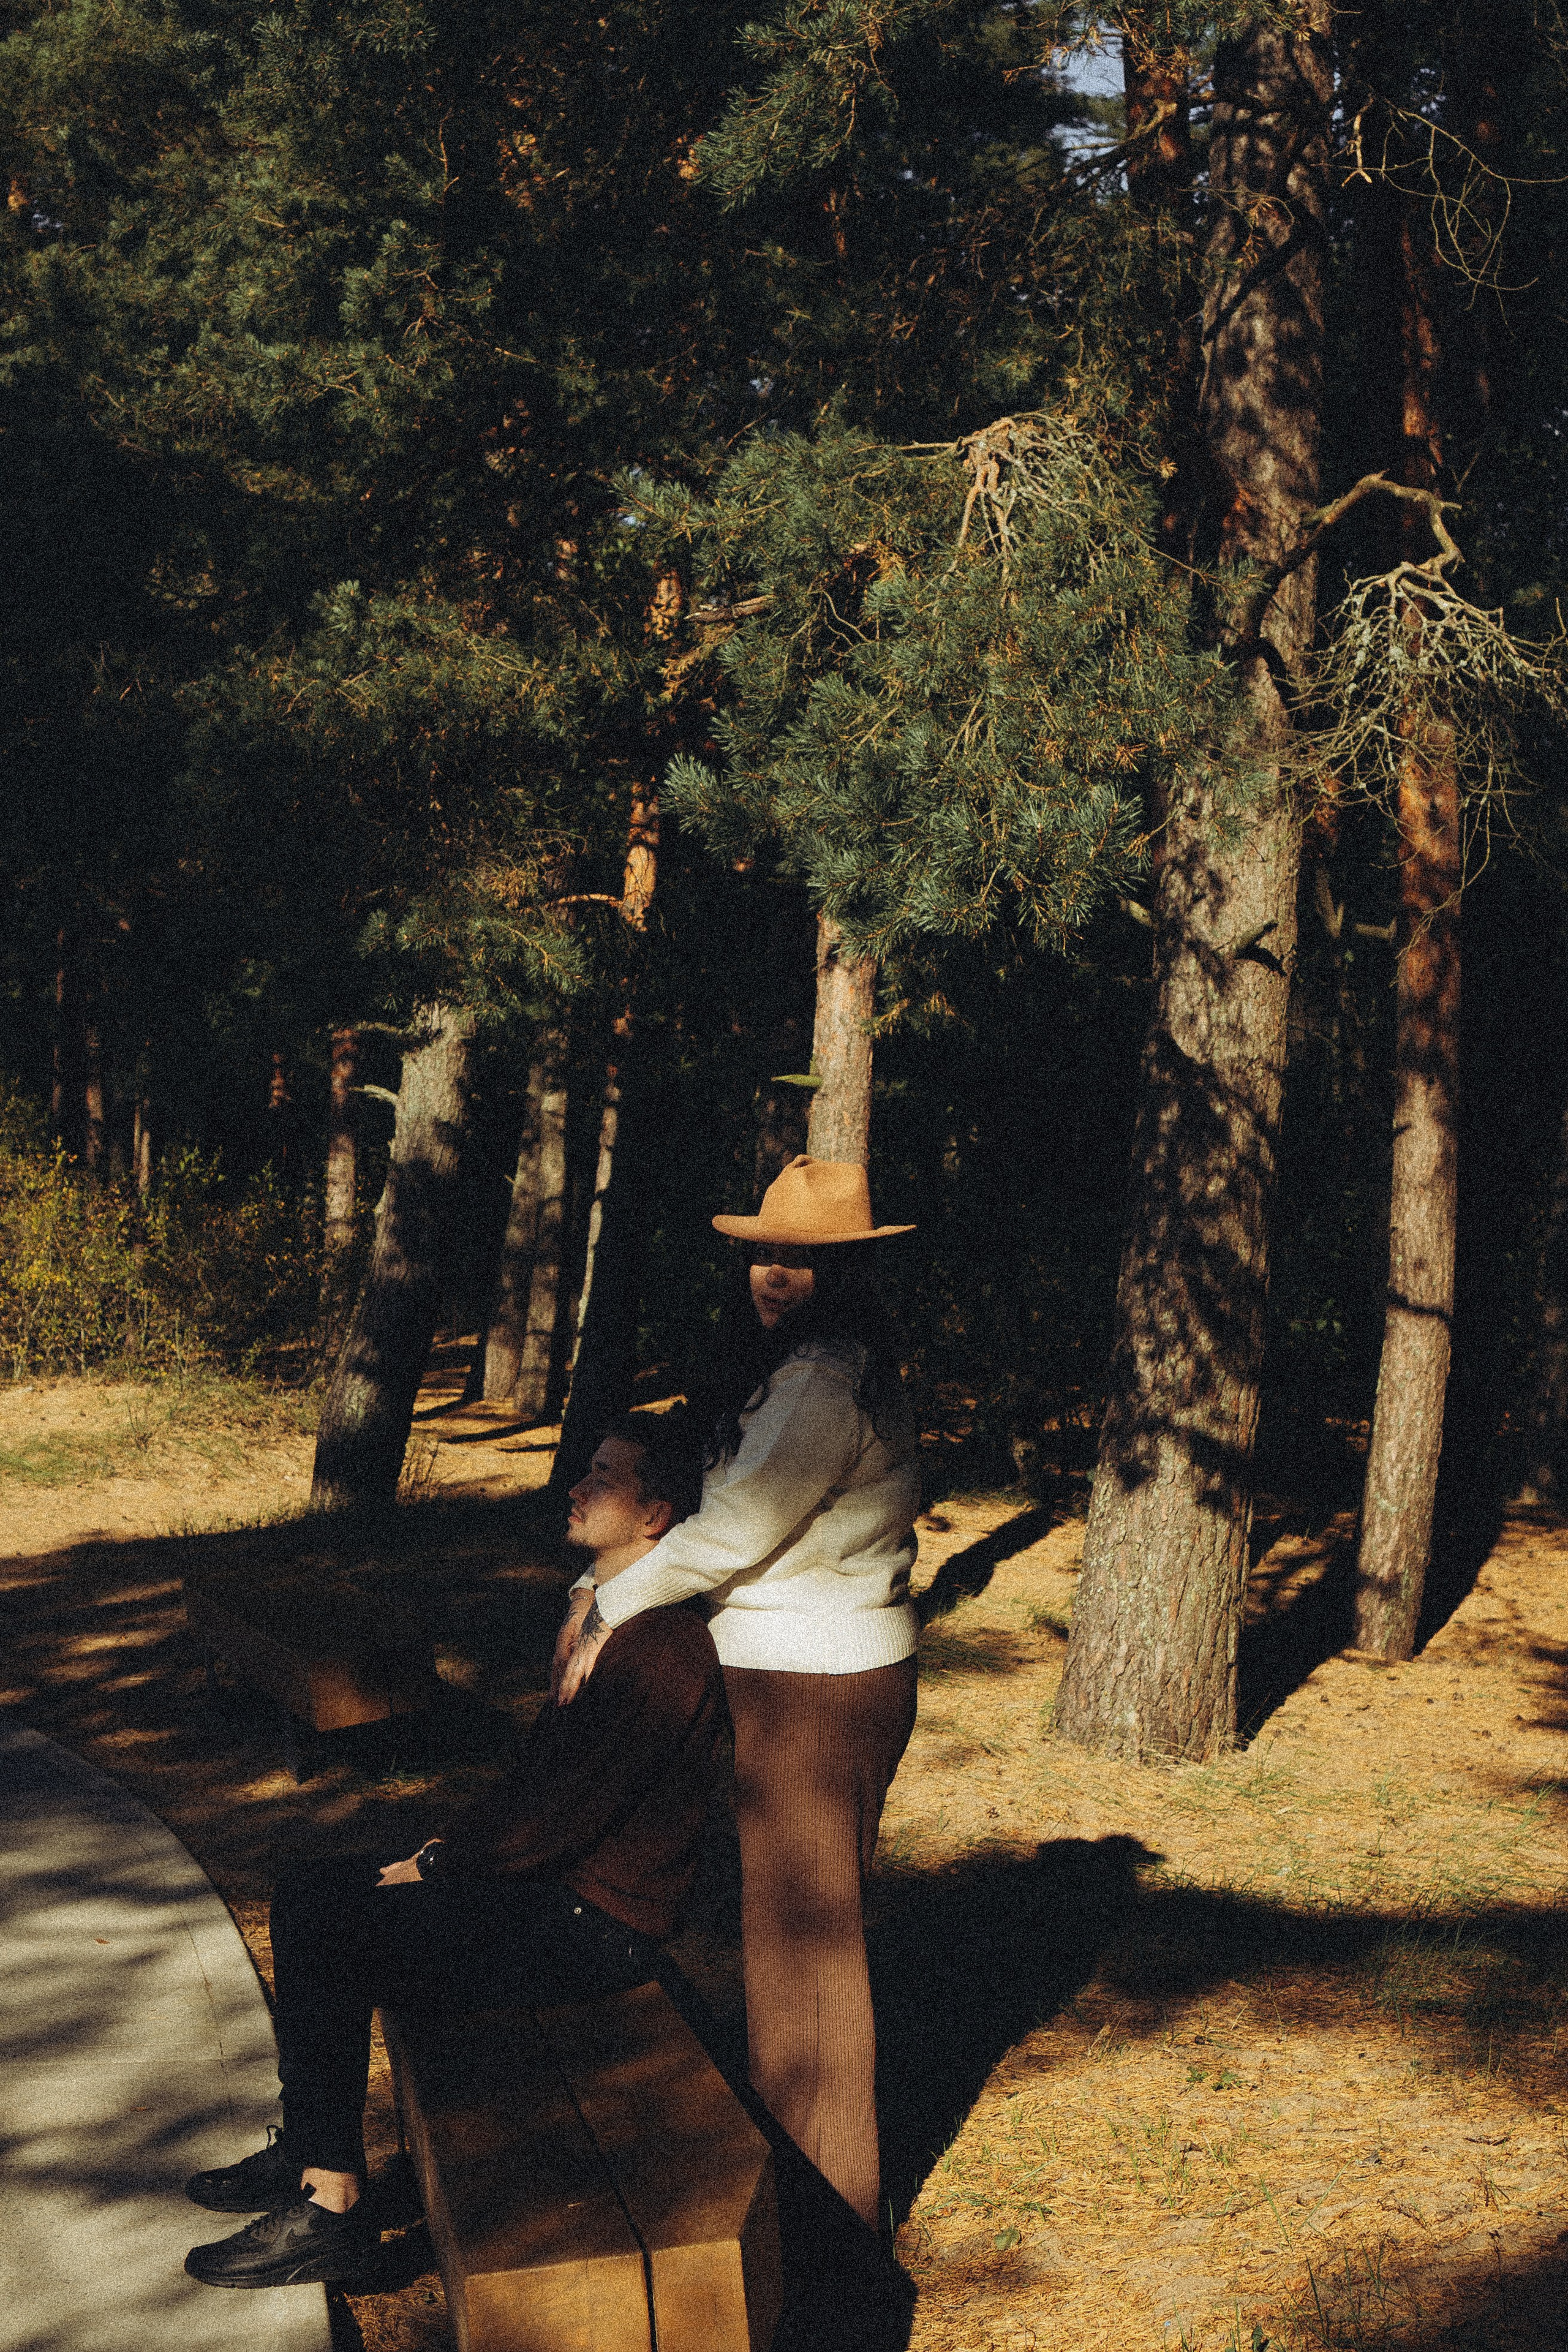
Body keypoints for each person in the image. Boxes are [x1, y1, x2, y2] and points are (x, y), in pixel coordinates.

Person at [184, 1411, 718, 2292]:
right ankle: (312, 2156)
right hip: (552, 1890)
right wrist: (442, 1846)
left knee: (335, 1925)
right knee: (311, 1890)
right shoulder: (606, 1613)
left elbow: (564, 1813)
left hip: (597, 1924)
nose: (577, 1488)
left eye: (604, 1479)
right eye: (585, 1470)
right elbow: (540, 1788)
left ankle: (331, 2210)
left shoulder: (661, 1647)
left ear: (655, 1516)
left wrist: (437, 1865)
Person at [554, 1153, 919, 2233]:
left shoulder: (821, 1379)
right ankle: (811, 2195)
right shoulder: (794, 1366)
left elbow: (736, 1531)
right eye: (764, 1253)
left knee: (810, 1953)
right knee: (786, 1941)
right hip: (792, 1671)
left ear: (843, 1273)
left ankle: (831, 2228)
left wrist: (605, 1606)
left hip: (818, 1684)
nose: (775, 1273)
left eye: (802, 1261)